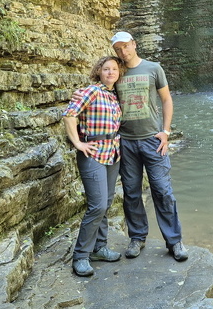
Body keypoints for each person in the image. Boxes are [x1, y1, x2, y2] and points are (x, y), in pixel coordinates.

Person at [110, 30, 188, 262]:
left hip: (153, 141)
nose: (123, 51)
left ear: (134, 44)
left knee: (162, 191)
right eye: (118, 49)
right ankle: (137, 238)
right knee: (131, 192)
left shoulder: (154, 68)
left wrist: (165, 132)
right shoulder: (117, 72)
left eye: (126, 46)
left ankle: (174, 241)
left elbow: (166, 99)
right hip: (126, 142)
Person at [62, 56, 124, 277]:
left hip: (113, 153)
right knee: (97, 205)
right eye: (106, 69)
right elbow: (70, 115)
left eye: (114, 69)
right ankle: (80, 256)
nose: (110, 72)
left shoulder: (114, 95)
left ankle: (99, 247)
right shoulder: (91, 91)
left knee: (106, 203)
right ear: (99, 71)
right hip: (93, 153)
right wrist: (77, 143)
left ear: (119, 73)